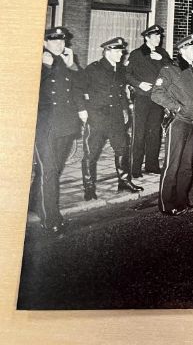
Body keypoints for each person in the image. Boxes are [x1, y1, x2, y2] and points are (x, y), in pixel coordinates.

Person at [31, 27, 84, 236]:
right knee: (49, 171)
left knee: (53, 169)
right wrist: (44, 67)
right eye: (54, 41)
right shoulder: (37, 60)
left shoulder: (66, 61)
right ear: (45, 43)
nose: (59, 45)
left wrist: (73, 66)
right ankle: (50, 218)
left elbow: (81, 86)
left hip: (66, 124)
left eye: (62, 41)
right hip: (44, 125)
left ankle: (33, 203)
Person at [78, 37, 143, 200]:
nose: (121, 54)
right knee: (91, 153)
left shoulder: (121, 70)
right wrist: (82, 110)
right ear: (107, 51)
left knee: (122, 149)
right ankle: (89, 187)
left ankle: (124, 182)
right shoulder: (94, 69)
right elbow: (78, 89)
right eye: (117, 51)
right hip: (97, 117)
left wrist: (127, 109)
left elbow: (121, 92)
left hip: (116, 118)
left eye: (121, 51)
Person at [151, 34, 193, 216]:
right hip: (178, 122)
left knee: (187, 166)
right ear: (183, 51)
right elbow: (156, 93)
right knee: (172, 164)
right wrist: (177, 108)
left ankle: (182, 201)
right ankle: (166, 204)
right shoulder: (170, 69)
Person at [125, 25, 172, 178]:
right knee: (139, 134)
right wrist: (139, 84)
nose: (159, 39)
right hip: (142, 98)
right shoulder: (137, 54)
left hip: (157, 99)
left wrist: (163, 59)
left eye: (160, 36)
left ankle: (152, 165)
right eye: (156, 36)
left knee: (154, 133)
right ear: (147, 38)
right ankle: (135, 168)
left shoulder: (162, 54)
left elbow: (172, 71)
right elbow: (127, 74)